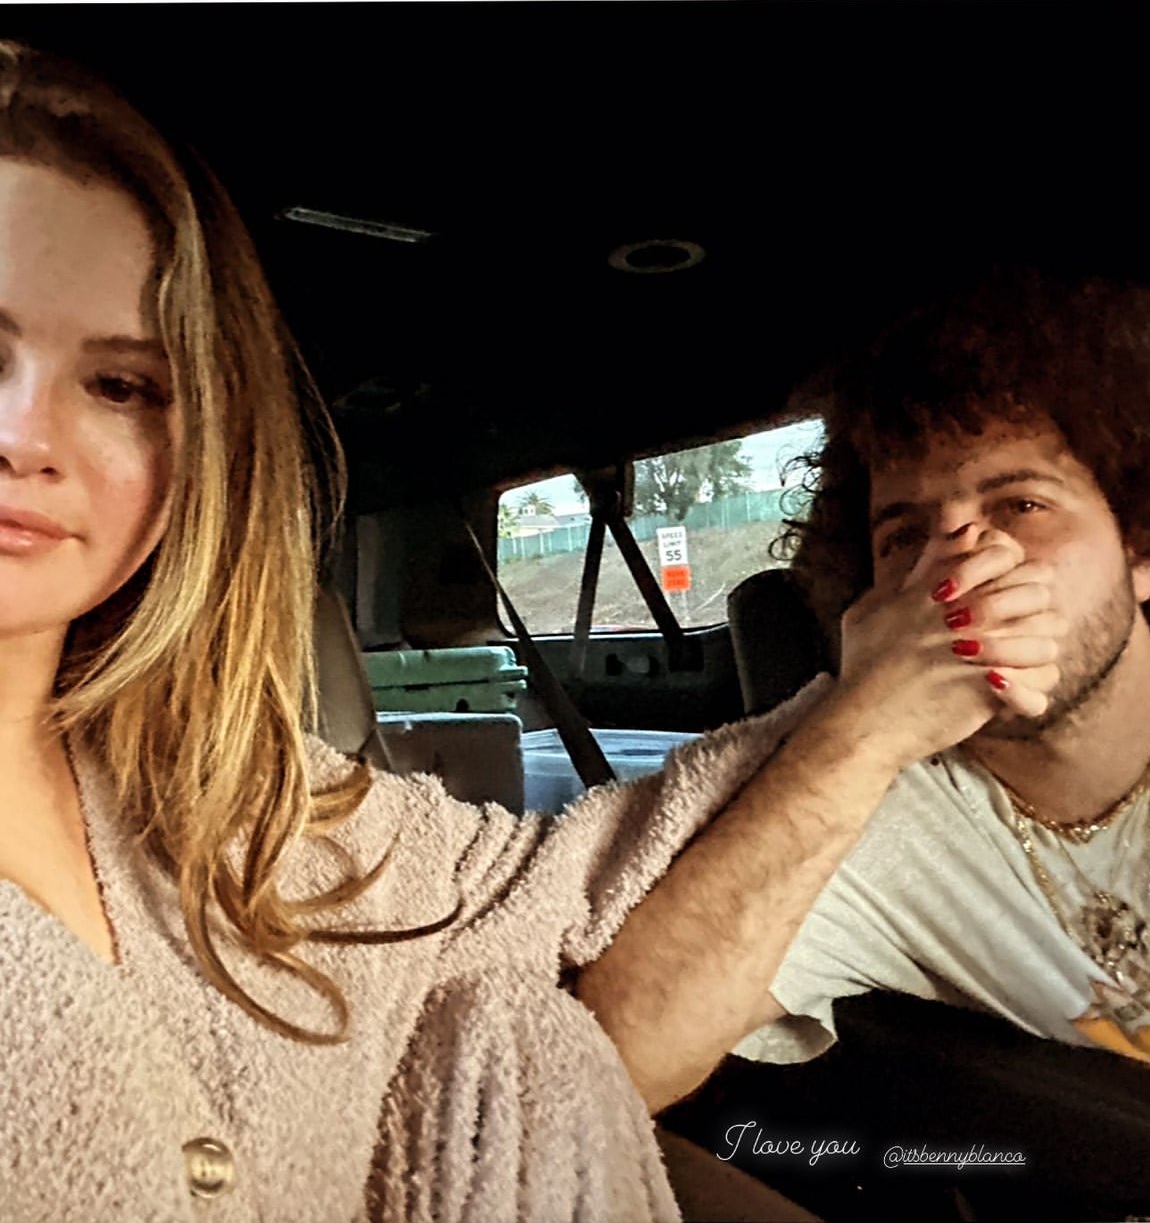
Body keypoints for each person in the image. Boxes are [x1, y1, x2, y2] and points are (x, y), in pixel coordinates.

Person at [0, 38, 870, 1223]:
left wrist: (884, 696)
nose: (27, 435)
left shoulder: (256, 811)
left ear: (192, 446)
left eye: (119, 385)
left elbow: (568, 888)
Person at [580, 268, 1150, 1110]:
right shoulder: (870, 807)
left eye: (1021, 505)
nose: (958, 562)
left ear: (1139, 548)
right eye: (904, 537)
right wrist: (867, 726)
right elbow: (606, 1060)